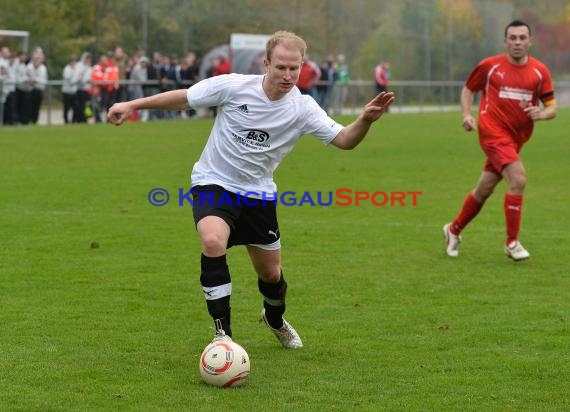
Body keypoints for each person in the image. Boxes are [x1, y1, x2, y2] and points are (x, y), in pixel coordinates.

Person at [107, 30, 394, 349]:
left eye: (294, 69)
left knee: (271, 275)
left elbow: (344, 140)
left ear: (302, 66)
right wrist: (132, 104)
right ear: (266, 63)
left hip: (258, 194)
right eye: (281, 67)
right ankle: (223, 337)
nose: (287, 75)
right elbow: (184, 97)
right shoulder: (233, 86)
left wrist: (366, 120)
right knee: (213, 241)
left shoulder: (303, 108)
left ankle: (274, 319)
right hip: (213, 182)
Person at [443, 20, 557, 261]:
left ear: (529, 41)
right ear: (505, 41)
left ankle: (453, 230)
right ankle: (512, 243)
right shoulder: (490, 66)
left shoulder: (539, 72)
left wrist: (542, 113)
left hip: (516, 140)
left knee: (483, 190)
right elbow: (467, 89)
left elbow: (552, 107)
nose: (517, 42)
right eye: (512, 38)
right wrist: (466, 114)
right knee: (518, 179)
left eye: (522, 38)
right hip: (492, 133)